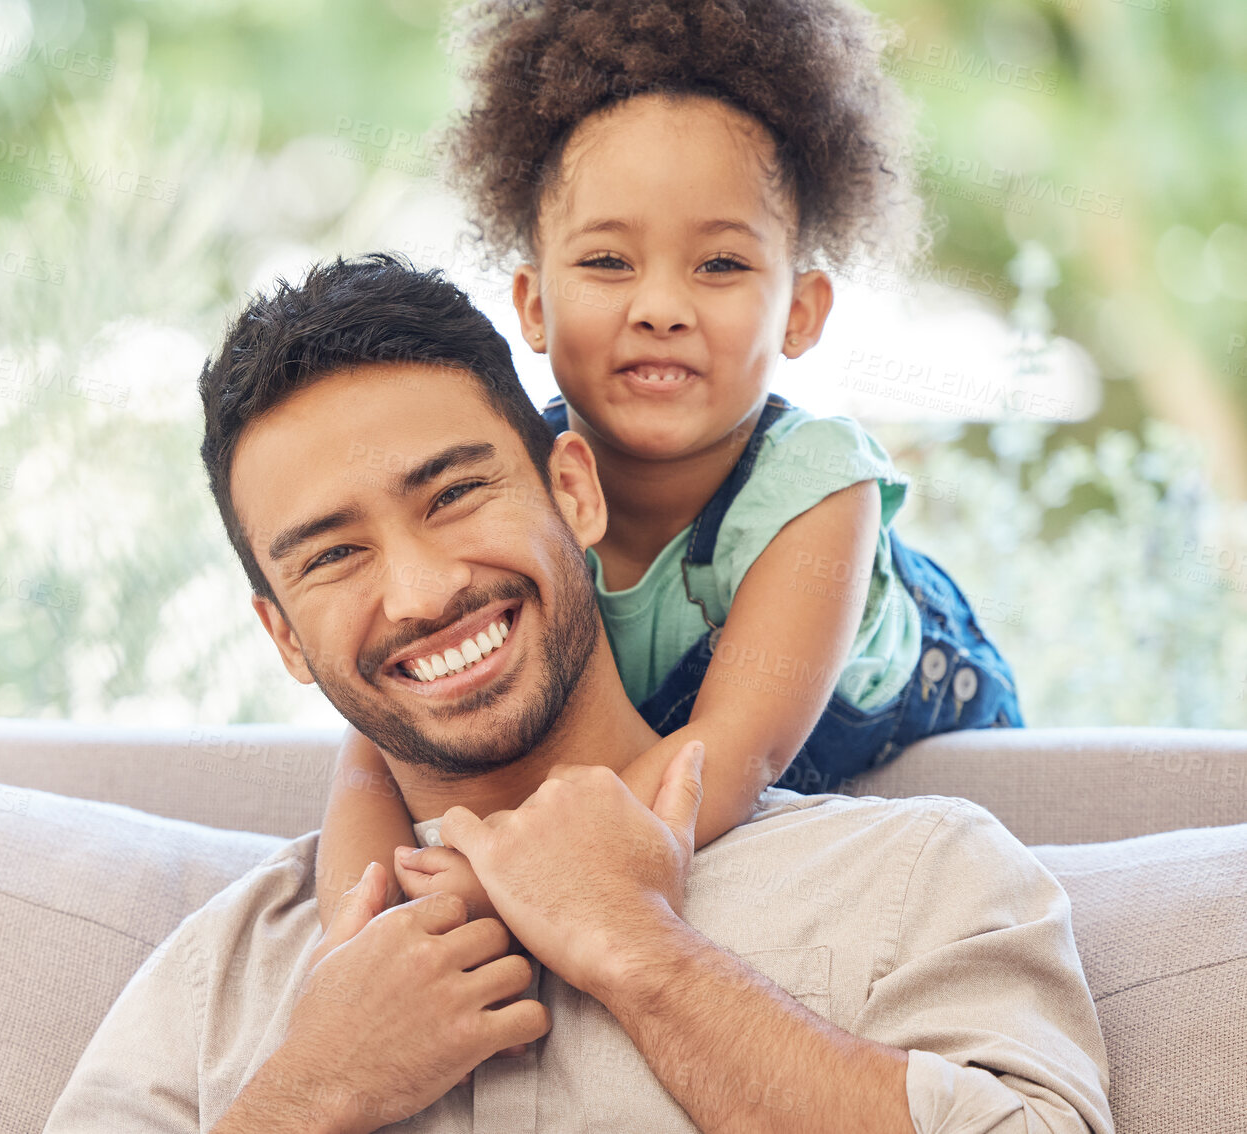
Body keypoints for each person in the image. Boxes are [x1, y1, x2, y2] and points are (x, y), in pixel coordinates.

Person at [42, 255, 1111, 1133]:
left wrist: (644, 953)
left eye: (454, 493)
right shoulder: (216, 983)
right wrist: (312, 1091)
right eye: (331, 557)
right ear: (280, 635)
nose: (420, 591)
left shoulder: (917, 877)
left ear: (573, 489)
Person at [318, 0, 1024, 933]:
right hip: (660, 760)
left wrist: (496, 880)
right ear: (532, 303)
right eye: (607, 260)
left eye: (721, 265)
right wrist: (359, 926)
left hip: (867, 727)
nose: (660, 306)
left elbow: (725, 762)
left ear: (800, 312)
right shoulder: (502, 483)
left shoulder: (818, 484)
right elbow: (375, 755)